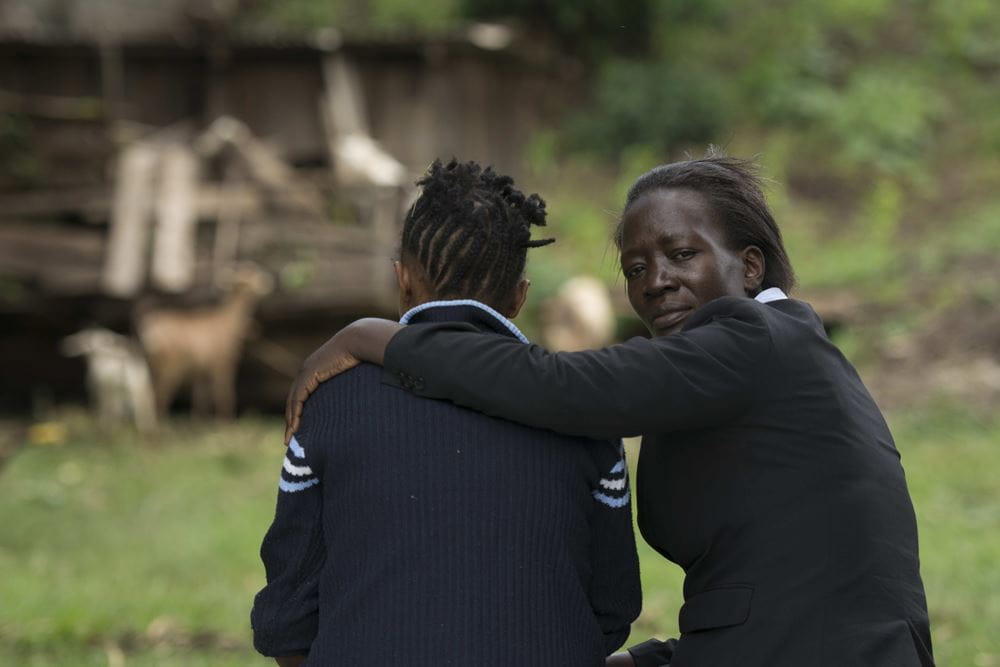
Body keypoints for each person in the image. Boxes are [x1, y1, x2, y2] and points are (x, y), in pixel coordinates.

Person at [284, 154, 934, 667]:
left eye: (682, 254)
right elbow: (782, 588)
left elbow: (558, 385)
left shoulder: (757, 339)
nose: (654, 280)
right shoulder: (742, 371)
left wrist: (378, 336)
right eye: (635, 265)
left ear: (749, 266)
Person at [252, 159, 641, 666]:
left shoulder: (330, 398)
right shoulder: (582, 410)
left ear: (403, 280)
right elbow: (612, 610)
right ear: (520, 298)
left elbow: (287, 615)